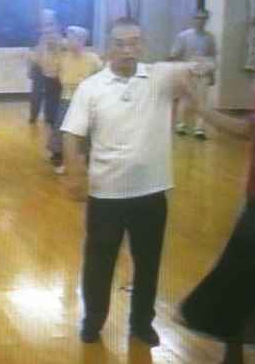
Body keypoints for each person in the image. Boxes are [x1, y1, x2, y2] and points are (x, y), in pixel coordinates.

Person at [61, 17, 211, 346]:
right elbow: (71, 134)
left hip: (151, 193)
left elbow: (198, 69)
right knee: (99, 263)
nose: (128, 50)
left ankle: (142, 323)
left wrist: (200, 67)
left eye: (134, 42)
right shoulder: (92, 87)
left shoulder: (159, 77)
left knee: (148, 263)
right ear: (108, 47)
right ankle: (93, 321)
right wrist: (75, 175)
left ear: (142, 45)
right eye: (120, 43)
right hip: (106, 195)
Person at [178, 6, 255, 364]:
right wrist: (199, 108)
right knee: (239, 277)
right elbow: (247, 131)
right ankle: (234, 354)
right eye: (254, 41)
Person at [48, 26, 102, 174]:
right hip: (67, 97)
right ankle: (58, 156)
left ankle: (89, 159)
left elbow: (102, 75)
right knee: (61, 127)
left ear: (82, 40)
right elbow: (51, 72)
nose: (69, 41)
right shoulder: (63, 58)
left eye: (73, 38)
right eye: (68, 38)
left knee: (88, 130)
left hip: (88, 98)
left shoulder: (92, 58)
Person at [170, 9, 217, 140]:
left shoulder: (210, 38)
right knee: (184, 98)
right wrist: (177, 71)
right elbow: (175, 54)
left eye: (203, 18)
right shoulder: (183, 36)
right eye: (198, 18)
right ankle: (180, 125)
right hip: (187, 70)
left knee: (202, 100)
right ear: (193, 19)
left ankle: (199, 128)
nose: (200, 21)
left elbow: (212, 56)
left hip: (203, 72)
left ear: (206, 20)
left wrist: (212, 74)